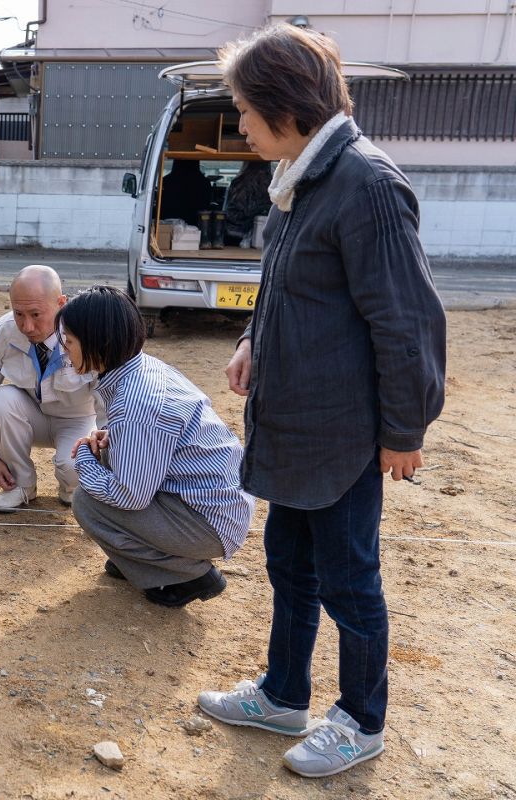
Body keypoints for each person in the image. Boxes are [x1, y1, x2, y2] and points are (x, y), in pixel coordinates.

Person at [196, 25, 446, 779]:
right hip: (295, 425)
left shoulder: (366, 186)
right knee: (290, 566)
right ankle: (283, 694)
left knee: (349, 580)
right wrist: (251, 343)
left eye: (244, 108)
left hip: (342, 437)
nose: (238, 122)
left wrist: (405, 428)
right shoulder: (302, 180)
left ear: (286, 107)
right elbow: (284, 289)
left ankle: (362, 719)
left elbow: (406, 322)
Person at [58, 286, 253, 608]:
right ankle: (144, 561)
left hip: (209, 521)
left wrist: (84, 458)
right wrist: (110, 437)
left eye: (69, 343)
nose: (64, 351)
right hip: (216, 503)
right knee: (107, 461)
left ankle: (187, 573)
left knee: (87, 502)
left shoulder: (136, 403)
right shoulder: (143, 368)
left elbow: (129, 495)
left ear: (98, 343)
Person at [0, 265, 99, 511]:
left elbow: (109, 400)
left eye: (36, 314)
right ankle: (21, 486)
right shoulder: (3, 331)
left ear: (61, 302)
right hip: (32, 415)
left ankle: (72, 489)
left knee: (73, 468)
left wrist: (104, 452)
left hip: (78, 420)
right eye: (18, 313)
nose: (26, 326)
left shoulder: (87, 334)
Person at [222, 160, 272, 245]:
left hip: (235, 230)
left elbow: (235, 207)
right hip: (258, 230)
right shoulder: (270, 182)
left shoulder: (240, 181)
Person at [158, 158, 213, 227]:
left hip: (169, 227)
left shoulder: (165, 181)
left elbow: (160, 205)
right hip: (196, 229)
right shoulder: (205, 183)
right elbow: (206, 206)